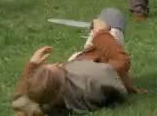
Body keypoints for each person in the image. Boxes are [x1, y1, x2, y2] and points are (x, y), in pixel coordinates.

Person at [11, 8, 146, 115]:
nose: (55, 64)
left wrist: (31, 67)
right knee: (112, 14)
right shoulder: (94, 76)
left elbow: (23, 97)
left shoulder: (48, 102)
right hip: (103, 56)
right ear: (64, 79)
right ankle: (98, 34)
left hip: (86, 59)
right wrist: (101, 33)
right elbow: (122, 62)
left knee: (94, 35)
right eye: (55, 67)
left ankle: (93, 39)